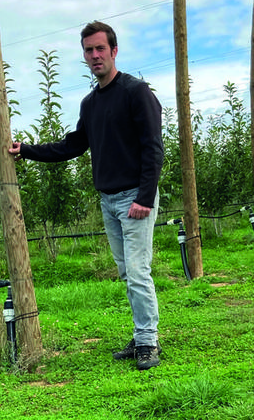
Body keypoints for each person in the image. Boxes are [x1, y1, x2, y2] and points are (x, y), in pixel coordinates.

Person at [9, 21, 164, 371]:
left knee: (138, 272)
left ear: (114, 51)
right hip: (108, 200)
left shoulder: (136, 93)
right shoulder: (91, 103)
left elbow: (153, 149)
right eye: (88, 50)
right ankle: (144, 333)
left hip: (135, 200)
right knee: (127, 273)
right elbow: (74, 144)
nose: (94, 55)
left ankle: (148, 342)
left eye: (100, 48)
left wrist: (144, 197)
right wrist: (27, 150)